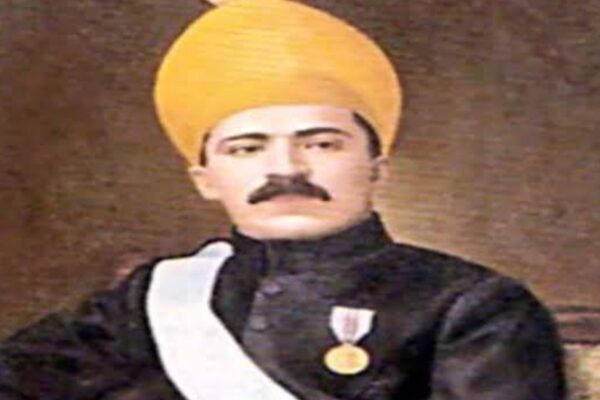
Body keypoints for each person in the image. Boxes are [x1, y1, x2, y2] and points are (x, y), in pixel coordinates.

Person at [0, 0, 566, 399]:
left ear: (376, 168)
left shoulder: (475, 306)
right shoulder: (153, 296)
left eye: (321, 143)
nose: (287, 169)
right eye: (247, 149)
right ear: (205, 179)